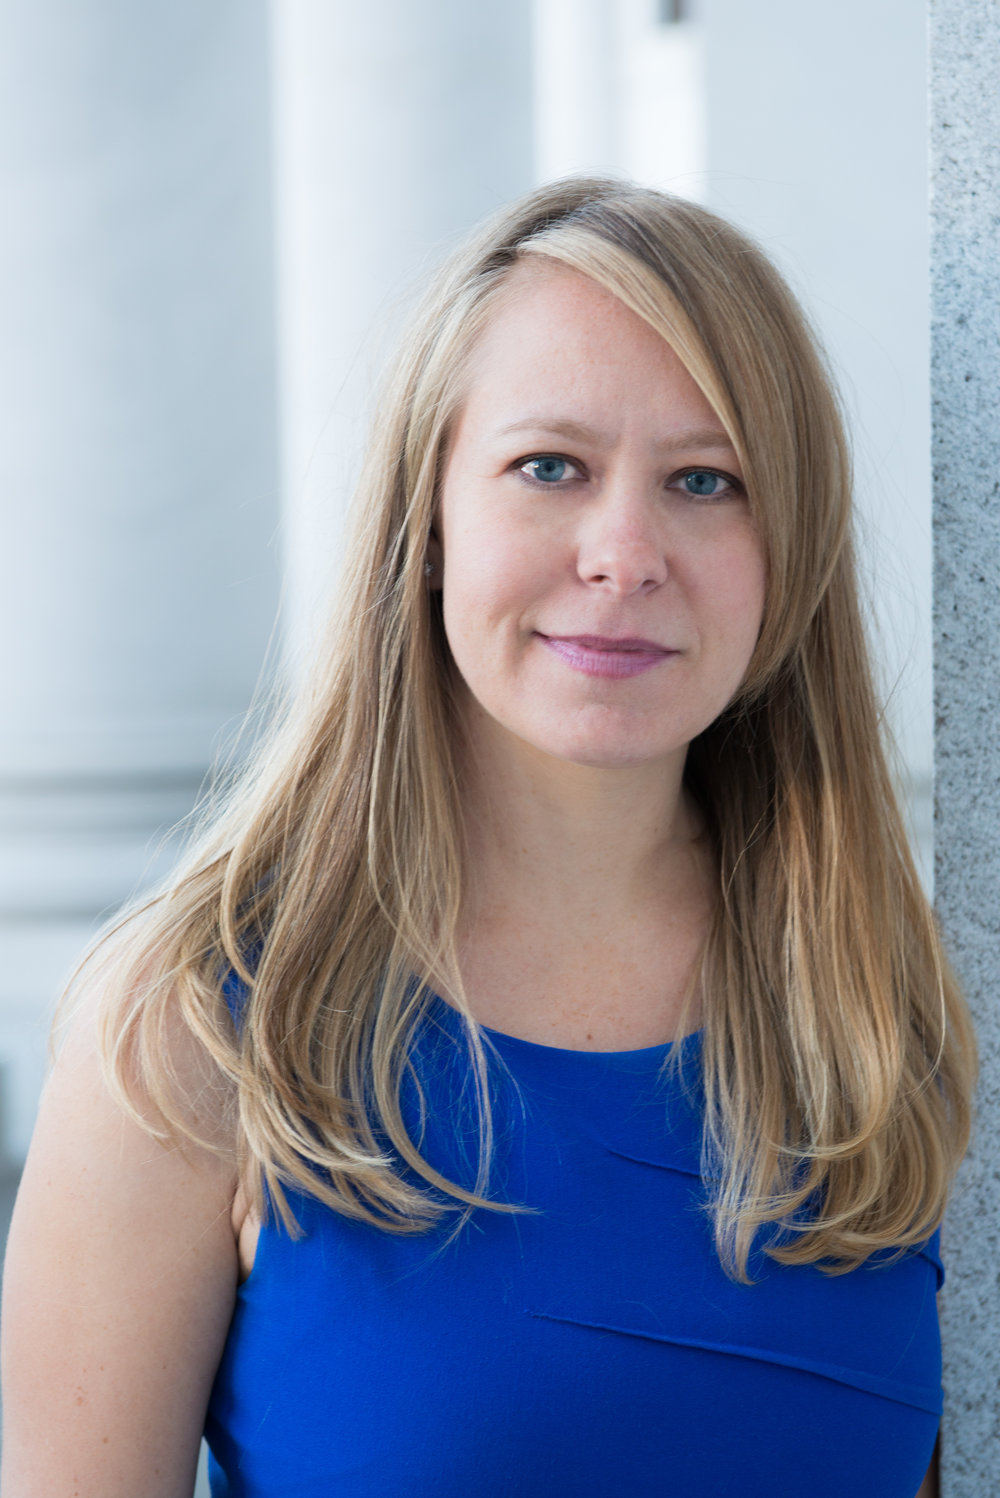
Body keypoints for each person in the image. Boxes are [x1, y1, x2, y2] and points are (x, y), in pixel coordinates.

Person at [1, 178, 975, 1498]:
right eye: (550, 466)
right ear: (431, 522)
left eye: (707, 478)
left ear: (785, 551)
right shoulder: (194, 1023)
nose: (625, 551)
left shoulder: (878, 1004)